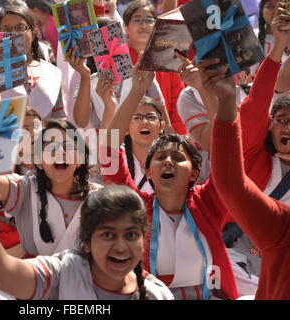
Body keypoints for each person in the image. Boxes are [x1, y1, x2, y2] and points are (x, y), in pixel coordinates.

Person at [100, 57, 238, 300]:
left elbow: (226, 146)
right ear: (149, 171)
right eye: (161, 156)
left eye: (178, 157)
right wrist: (137, 90)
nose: (168, 162)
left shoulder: (210, 203)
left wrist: (201, 88)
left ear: (194, 173)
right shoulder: (135, 208)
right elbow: (109, 148)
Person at [0, 164, 174, 300]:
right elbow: (4, 272)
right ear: (86, 240)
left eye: (131, 235)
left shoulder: (158, 293)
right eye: (107, 235)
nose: (121, 246)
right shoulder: (63, 273)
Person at [209, 35, 290, 301]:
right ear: (269, 126)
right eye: (281, 120)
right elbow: (257, 103)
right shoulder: (256, 157)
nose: (288, 127)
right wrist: (278, 47)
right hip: (233, 255)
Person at [0, 110, 100, 257]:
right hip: (34, 279)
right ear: (39, 161)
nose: (60, 152)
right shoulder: (25, 190)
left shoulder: (99, 199)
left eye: (68, 146)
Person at [123, 0, 187, 135]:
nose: (144, 25)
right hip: (126, 136)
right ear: (125, 27)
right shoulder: (119, 59)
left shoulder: (168, 58)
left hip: (163, 138)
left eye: (149, 20)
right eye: (137, 20)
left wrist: (176, 138)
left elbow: (177, 104)